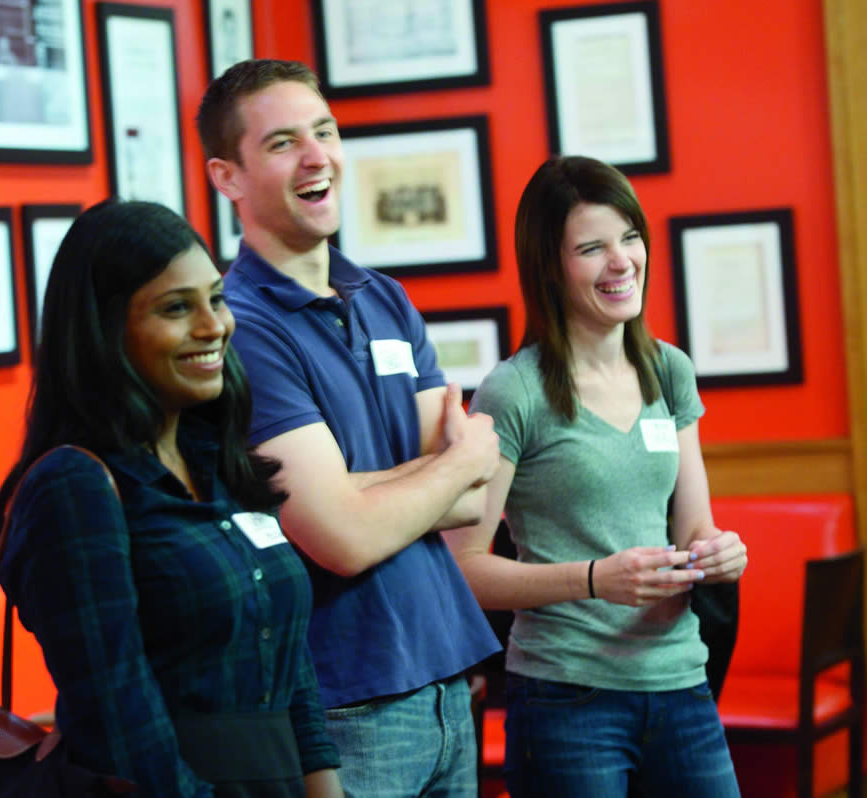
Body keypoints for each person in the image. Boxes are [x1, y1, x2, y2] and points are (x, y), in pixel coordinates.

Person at [197, 59, 502, 797]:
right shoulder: (241, 326)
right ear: (227, 177)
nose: (317, 157)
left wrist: (362, 490)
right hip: (348, 703)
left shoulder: (385, 298)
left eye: (325, 131)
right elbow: (341, 538)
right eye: (281, 143)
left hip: (449, 680)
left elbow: (473, 496)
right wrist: (445, 467)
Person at [0, 199, 343, 797]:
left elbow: (292, 671)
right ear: (105, 331)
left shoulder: (222, 463)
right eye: (177, 308)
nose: (214, 327)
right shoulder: (75, 487)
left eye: (217, 298)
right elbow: (119, 724)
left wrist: (324, 787)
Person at [442, 155, 747, 797]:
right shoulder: (514, 391)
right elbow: (463, 569)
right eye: (592, 248)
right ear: (550, 266)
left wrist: (719, 551)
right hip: (566, 700)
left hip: (682, 684)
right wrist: (592, 579)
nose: (622, 262)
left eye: (630, 237)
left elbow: (693, 524)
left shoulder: (669, 370)